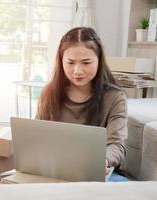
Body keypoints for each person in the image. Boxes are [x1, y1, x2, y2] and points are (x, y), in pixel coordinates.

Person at [36, 27, 129, 182]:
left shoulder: (115, 97)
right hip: (55, 169)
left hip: (97, 172)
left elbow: (117, 145)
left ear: (99, 60)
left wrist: (103, 161)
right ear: (61, 61)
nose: (77, 71)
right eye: (70, 62)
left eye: (86, 62)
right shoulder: (48, 93)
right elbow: (37, 137)